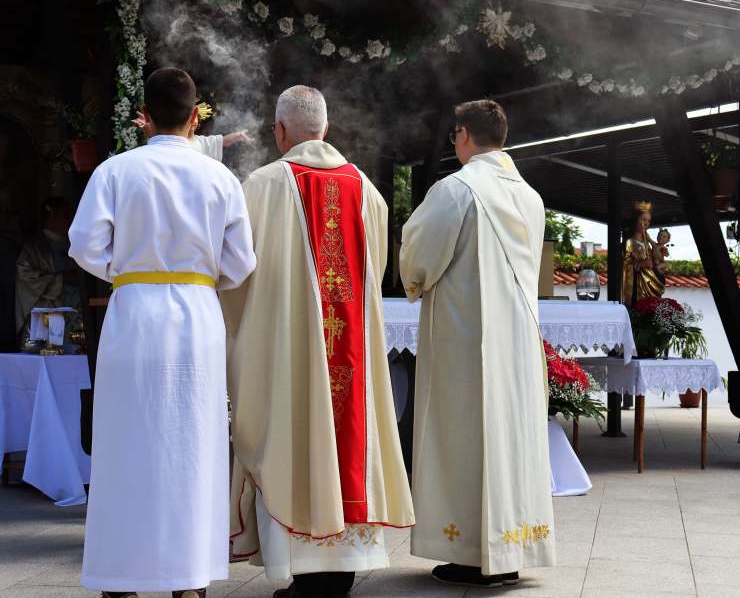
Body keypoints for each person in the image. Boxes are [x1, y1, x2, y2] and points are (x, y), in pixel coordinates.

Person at [69, 67, 257, 597]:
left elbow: (84, 245)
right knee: (192, 444)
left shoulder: (115, 170)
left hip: (133, 314)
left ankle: (119, 577)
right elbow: (241, 263)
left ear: (144, 117)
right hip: (197, 314)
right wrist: (196, 277)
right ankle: (190, 579)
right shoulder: (220, 178)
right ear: (197, 118)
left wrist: (129, 270)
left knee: (125, 440)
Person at [221, 86, 414, 598]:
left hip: (289, 355)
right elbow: (374, 278)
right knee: (346, 440)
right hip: (350, 350)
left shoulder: (261, 185)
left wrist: (241, 332)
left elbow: (235, 279)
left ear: (280, 131)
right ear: (325, 130)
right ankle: (342, 566)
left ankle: (299, 566)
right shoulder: (368, 192)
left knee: (289, 435)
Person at [400, 100, 555, 587]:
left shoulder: (456, 188)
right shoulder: (529, 196)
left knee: (466, 437)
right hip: (517, 343)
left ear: (464, 135)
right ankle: (511, 547)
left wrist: (413, 279)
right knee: (510, 436)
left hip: (466, 340)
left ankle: (471, 551)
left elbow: (419, 253)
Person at [15, 197, 82, 347]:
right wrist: (61, 280)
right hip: (47, 313)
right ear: (52, 216)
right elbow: (27, 279)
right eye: (66, 215)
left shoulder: (76, 245)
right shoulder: (34, 249)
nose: (69, 220)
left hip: (75, 312)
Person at [133, 109, 253, 161]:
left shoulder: (201, 142)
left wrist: (238, 135)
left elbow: (223, 141)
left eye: (197, 121)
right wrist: (151, 126)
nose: (194, 123)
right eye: (192, 119)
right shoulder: (172, 140)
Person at [621, 201, 665, 308]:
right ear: (636, 220)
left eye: (648, 221)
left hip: (650, 280)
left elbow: (654, 260)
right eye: (643, 220)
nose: (646, 224)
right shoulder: (629, 242)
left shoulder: (647, 242)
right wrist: (640, 264)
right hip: (638, 287)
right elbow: (625, 264)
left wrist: (659, 261)